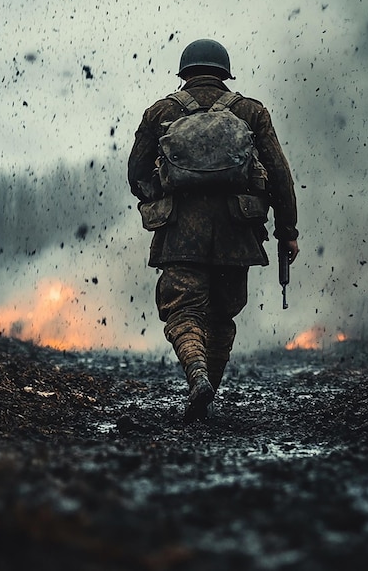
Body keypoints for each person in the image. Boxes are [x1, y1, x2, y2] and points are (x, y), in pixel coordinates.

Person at [128, 39, 299, 423]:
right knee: (222, 317)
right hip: (237, 233)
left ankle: (197, 376)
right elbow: (280, 176)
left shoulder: (161, 111)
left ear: (184, 72)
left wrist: (162, 193)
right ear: (224, 72)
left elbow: (136, 175)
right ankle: (207, 393)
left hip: (178, 234)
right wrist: (288, 230)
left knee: (184, 310)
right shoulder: (252, 112)